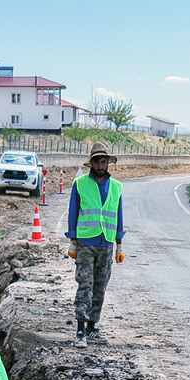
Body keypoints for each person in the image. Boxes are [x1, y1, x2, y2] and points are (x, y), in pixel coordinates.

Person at [65, 142, 126, 348]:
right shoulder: (80, 184)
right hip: (86, 242)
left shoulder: (116, 187)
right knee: (85, 284)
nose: (101, 165)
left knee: (100, 286)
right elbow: (73, 212)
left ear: (108, 163)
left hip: (106, 242)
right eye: (98, 161)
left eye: (104, 161)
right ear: (91, 163)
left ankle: (92, 327)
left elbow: (119, 216)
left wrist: (119, 244)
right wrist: (73, 241)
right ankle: (80, 331)